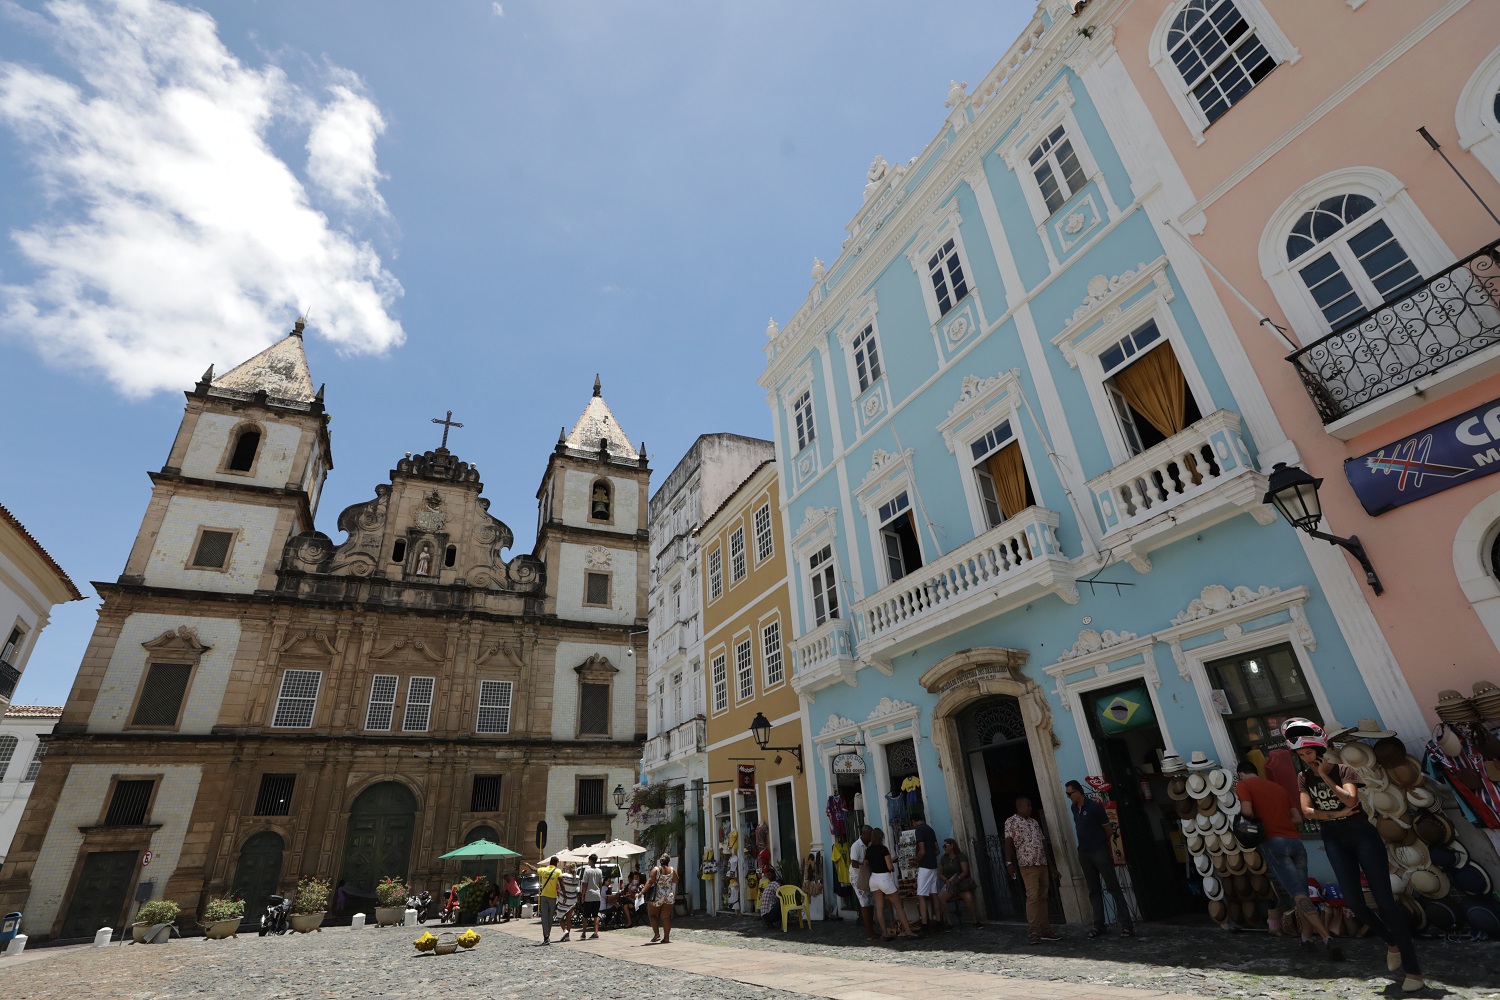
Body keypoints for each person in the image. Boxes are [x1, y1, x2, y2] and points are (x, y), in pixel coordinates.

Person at [1289, 718, 1421, 991]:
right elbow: (1307, 812)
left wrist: (1326, 776)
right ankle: (1391, 941)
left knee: (1385, 901)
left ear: (1320, 750)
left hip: (1361, 835)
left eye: (1309, 753)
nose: (1306, 759)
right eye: (1301, 755)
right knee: (1355, 903)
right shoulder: (1302, 778)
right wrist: (1335, 814)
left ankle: (1414, 972)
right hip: (1333, 836)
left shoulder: (1344, 770)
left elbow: (1351, 801)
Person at [1234, 758, 1341, 960]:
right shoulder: (1278, 788)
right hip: (1295, 842)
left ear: (1240, 774)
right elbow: (1298, 819)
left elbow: (1247, 812)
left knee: (1297, 893)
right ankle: (1306, 939)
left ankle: (1326, 937)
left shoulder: (1244, 785)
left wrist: (1257, 823)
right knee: (1302, 893)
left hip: (1274, 843)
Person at [1066, 779, 1134, 939]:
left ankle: (1127, 925)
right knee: (1094, 890)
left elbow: (1108, 830)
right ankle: (1099, 924)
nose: (1068, 797)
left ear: (1077, 792)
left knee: (1113, 887)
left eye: (1069, 793)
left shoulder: (1095, 808)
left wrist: (1100, 844)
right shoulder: (1074, 808)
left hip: (1099, 851)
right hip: (1084, 852)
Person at [1004, 796, 1059, 944]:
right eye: (1027, 805)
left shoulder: (1034, 822)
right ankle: (1034, 931)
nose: (1030, 808)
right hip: (1027, 865)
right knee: (1032, 897)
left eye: (1030, 805)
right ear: (1019, 806)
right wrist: (1009, 863)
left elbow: (1042, 843)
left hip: (1041, 863)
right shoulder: (1011, 822)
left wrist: (1051, 866)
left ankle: (1046, 929)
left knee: (1043, 897)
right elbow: (1008, 843)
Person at [865, 829, 917, 940]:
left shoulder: (868, 850)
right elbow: (889, 867)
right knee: (898, 906)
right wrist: (892, 865)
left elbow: (866, 863)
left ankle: (885, 933)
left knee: (879, 907)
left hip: (873, 879)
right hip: (884, 878)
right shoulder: (884, 849)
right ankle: (908, 931)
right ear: (881, 837)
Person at [936, 838, 983, 930]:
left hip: (960, 884)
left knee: (969, 897)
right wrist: (946, 880)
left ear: (952, 845)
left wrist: (957, 879)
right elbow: (940, 873)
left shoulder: (960, 856)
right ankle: (949, 923)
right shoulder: (943, 858)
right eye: (943, 846)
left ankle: (976, 920)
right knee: (941, 897)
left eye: (945, 846)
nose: (944, 848)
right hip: (950, 884)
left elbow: (965, 871)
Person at [521, 856, 562, 945]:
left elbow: (534, 869)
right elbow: (561, 883)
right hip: (552, 897)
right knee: (550, 917)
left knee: (544, 917)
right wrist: (564, 894)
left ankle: (546, 937)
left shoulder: (544, 870)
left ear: (550, 862)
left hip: (543, 896)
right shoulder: (558, 871)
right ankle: (547, 936)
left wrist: (528, 864)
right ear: (556, 863)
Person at [911, 815, 941, 931]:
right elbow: (937, 850)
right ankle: (939, 921)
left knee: (921, 896)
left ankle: (924, 924)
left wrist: (916, 861)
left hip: (924, 867)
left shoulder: (919, 830)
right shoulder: (930, 829)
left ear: (913, 821)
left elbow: (922, 850)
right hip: (933, 866)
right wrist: (931, 857)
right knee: (934, 893)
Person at [848, 825, 876, 941]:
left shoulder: (869, 845)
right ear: (864, 834)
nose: (871, 837)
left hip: (866, 875)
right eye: (870, 834)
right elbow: (854, 863)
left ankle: (872, 929)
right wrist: (865, 864)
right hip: (857, 876)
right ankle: (869, 933)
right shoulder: (856, 846)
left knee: (870, 901)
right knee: (864, 902)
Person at [644, 853, 678, 944]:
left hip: (658, 895)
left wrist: (641, 892)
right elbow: (676, 880)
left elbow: (650, 881)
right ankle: (666, 938)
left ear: (660, 861)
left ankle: (656, 934)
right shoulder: (672, 870)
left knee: (652, 915)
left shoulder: (656, 869)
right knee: (666, 917)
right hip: (669, 895)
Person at [579, 854, 604, 940]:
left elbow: (584, 884)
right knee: (595, 915)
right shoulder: (599, 871)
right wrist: (599, 892)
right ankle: (596, 932)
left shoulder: (587, 871)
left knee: (585, 915)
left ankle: (584, 933)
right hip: (596, 895)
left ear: (591, 860)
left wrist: (583, 895)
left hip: (589, 895)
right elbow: (601, 883)